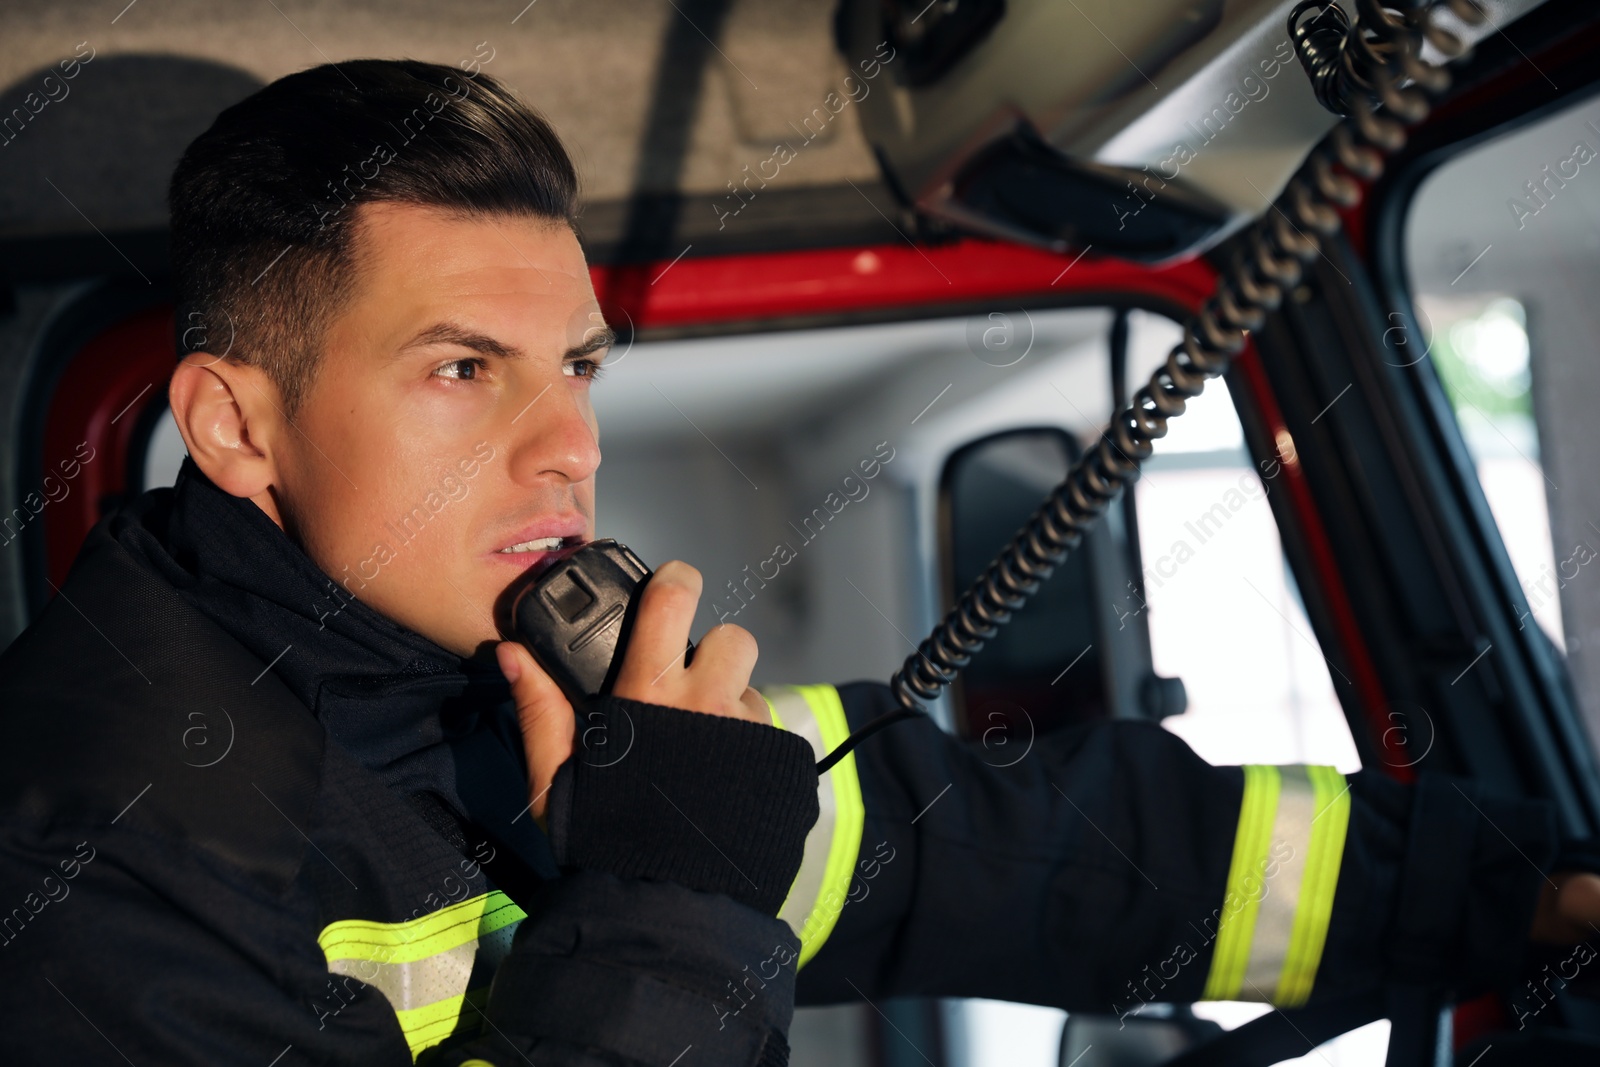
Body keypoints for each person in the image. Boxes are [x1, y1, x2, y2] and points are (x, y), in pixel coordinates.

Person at [1, 58, 1598, 1067]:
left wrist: (1514, 893)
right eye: (463, 368)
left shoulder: (497, 679)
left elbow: (989, 845)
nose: (570, 448)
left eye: (580, 368)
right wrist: (672, 896)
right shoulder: (93, 866)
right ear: (232, 426)